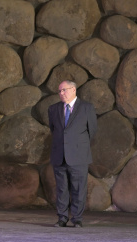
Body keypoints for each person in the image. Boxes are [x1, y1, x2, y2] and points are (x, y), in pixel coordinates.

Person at [48, 80, 97, 228]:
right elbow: (54, 130)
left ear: (74, 89)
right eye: (59, 91)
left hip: (79, 155)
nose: (61, 93)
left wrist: (77, 145)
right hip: (59, 155)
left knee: (78, 188)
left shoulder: (86, 108)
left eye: (64, 90)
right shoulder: (53, 109)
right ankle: (62, 218)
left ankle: (77, 218)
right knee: (61, 189)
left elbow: (92, 130)